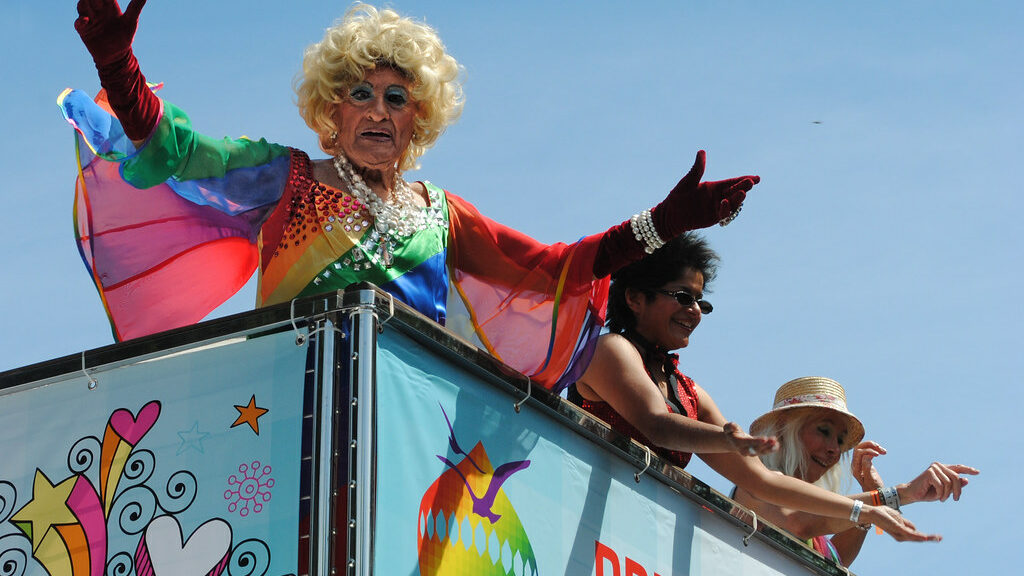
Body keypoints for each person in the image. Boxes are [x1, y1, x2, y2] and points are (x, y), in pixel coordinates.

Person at [62, 0, 759, 391]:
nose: (376, 111)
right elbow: (182, 153)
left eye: (396, 98)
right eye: (358, 95)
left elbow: (554, 268)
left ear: (417, 118)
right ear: (329, 112)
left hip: (408, 411)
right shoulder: (286, 176)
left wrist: (664, 223)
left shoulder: (441, 213)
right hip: (286, 400)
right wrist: (118, 68)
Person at [569, 233, 939, 542]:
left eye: (701, 301)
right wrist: (727, 439)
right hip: (574, 521)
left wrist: (870, 510)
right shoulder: (609, 348)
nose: (695, 310)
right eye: (683, 297)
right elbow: (658, 425)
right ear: (634, 298)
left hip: (634, 537)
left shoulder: (689, 391)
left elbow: (764, 480)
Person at [733, 376, 978, 567]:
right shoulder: (754, 483)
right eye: (824, 431)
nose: (833, 449)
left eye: (840, 441)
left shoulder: (813, 517)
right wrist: (901, 494)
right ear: (784, 429)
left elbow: (836, 559)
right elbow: (797, 522)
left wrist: (872, 496)